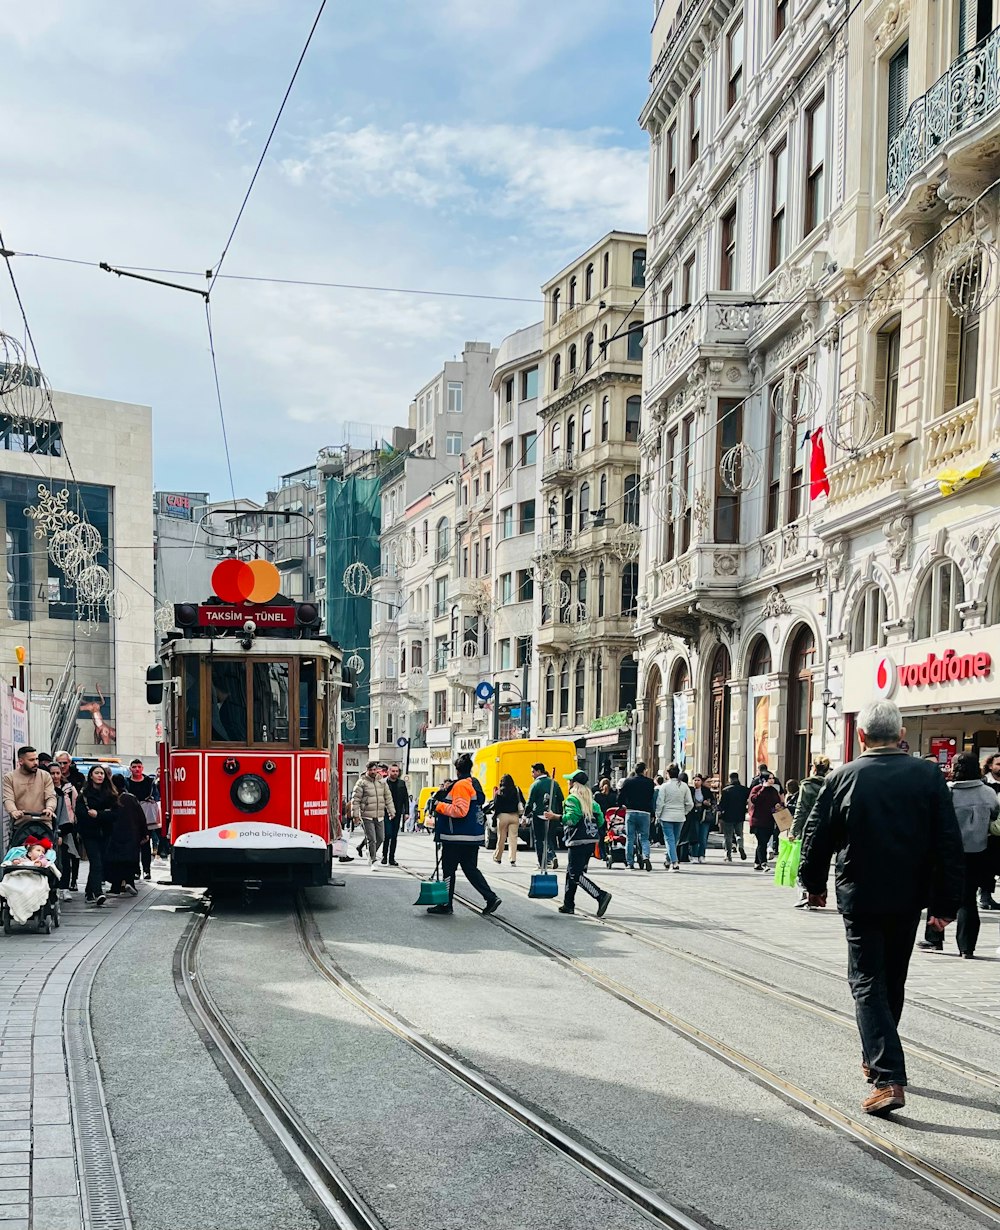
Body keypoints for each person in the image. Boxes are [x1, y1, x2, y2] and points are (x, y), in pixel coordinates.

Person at [799, 699, 964, 1116]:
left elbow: (817, 837)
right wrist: (946, 904)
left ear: (861, 736)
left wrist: (813, 884)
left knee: (867, 980)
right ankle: (877, 1056)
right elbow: (948, 843)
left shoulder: (843, 777)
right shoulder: (928, 776)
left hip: (862, 894)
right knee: (892, 978)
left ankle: (888, 1075)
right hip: (909, 895)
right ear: (902, 735)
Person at [914, 753, 998, 958]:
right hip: (978, 850)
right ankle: (967, 947)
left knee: (937, 893)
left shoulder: (948, 791)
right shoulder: (988, 793)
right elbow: (994, 815)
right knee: (968, 899)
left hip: (948, 851)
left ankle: (934, 939)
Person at [428, 753, 500, 917]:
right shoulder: (474, 783)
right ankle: (490, 897)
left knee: (448, 870)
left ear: (457, 770)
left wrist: (439, 806)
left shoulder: (461, 785)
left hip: (456, 837)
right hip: (471, 836)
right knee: (470, 869)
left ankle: (445, 903)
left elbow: (460, 810)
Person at [558, 771, 611, 917]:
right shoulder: (591, 801)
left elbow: (571, 819)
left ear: (573, 784)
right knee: (572, 871)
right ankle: (568, 904)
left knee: (575, 874)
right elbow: (600, 821)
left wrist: (556, 817)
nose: (568, 784)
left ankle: (600, 895)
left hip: (577, 840)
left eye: (569, 781)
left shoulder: (572, 799)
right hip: (590, 840)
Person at [75, 765, 119, 906]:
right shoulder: (84, 795)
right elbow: (81, 814)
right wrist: (100, 815)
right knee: (96, 862)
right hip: (90, 834)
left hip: (106, 833)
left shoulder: (111, 794)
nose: (100, 775)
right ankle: (98, 892)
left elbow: (115, 814)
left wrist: (98, 814)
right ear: (91, 775)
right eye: (97, 773)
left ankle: (89, 891)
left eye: (102, 773)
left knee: (100, 862)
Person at [104, 788, 146, 897]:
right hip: (132, 833)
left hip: (115, 834)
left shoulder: (111, 798)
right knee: (130, 860)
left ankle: (116, 887)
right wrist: (144, 833)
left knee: (116, 861)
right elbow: (141, 817)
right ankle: (130, 883)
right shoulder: (131, 798)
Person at [2, 746, 55, 830]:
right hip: (21, 826)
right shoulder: (10, 777)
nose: (36, 763)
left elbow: (51, 796)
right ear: (21, 761)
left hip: (43, 824)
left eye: (36, 759)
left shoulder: (45, 776)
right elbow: (8, 799)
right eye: (31, 760)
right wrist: (13, 811)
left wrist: (49, 808)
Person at [351, 762, 393, 868]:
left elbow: (388, 797)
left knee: (381, 838)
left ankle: (370, 852)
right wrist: (355, 815)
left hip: (379, 814)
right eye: (371, 770)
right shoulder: (361, 782)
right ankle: (373, 860)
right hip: (366, 815)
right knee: (371, 839)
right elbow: (355, 800)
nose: (373, 772)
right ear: (367, 770)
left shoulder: (382, 782)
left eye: (375, 770)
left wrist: (391, 811)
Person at [125, 758, 161, 878]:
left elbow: (156, 796)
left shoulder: (149, 781)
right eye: (134, 767)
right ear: (130, 768)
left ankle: (147, 870)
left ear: (142, 768)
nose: (137, 769)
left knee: (146, 843)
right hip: (131, 815)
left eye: (139, 767)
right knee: (134, 844)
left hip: (147, 815)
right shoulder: (127, 782)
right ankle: (136, 871)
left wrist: (153, 799)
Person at [50, 763, 80, 900]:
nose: (55, 776)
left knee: (65, 858)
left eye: (57, 773)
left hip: (65, 827)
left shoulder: (67, 790)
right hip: (46, 829)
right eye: (52, 773)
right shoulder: (44, 789)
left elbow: (74, 807)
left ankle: (65, 887)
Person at [619, 761, 656, 872]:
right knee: (644, 838)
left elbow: (620, 797)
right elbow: (652, 799)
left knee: (630, 838)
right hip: (645, 813)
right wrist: (652, 813)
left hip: (631, 811)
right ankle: (646, 856)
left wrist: (622, 805)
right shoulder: (650, 783)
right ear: (644, 770)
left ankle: (630, 863)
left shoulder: (628, 782)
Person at [524, 763, 562, 870]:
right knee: (550, 837)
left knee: (539, 840)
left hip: (539, 815)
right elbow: (561, 798)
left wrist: (525, 816)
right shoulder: (554, 783)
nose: (532, 774)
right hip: (552, 815)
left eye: (533, 772)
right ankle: (552, 856)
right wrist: (559, 813)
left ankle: (542, 863)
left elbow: (530, 802)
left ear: (539, 771)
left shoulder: (535, 785)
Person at [655, 765, 692, 870]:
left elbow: (660, 802)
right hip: (680, 816)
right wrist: (684, 812)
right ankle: (668, 859)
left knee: (669, 839)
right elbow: (690, 803)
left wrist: (658, 815)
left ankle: (674, 862)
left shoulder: (664, 787)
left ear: (667, 774)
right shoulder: (684, 786)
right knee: (674, 840)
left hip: (666, 816)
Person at [979, 752, 1000, 911]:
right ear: (990, 766)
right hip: (988, 833)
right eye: (998, 764)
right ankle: (985, 895)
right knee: (988, 866)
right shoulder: (984, 783)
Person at [748, 772, 782, 871]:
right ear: (763, 780)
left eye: (773, 778)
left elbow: (778, 801)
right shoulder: (757, 789)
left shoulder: (774, 790)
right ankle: (764, 863)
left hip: (770, 820)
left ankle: (757, 863)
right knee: (762, 842)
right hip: (758, 820)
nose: (772, 780)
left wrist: (778, 806)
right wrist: (763, 788)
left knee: (763, 842)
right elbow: (754, 800)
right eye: (769, 779)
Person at [491, 773, 524, 867]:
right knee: (513, 839)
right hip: (514, 816)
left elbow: (496, 806)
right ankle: (512, 859)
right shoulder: (516, 790)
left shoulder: (499, 792)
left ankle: (498, 857)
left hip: (502, 816)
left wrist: (494, 818)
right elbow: (522, 801)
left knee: (501, 838)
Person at [718, 772, 749, 862]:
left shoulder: (726, 790)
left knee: (728, 836)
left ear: (730, 779)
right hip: (740, 815)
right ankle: (740, 846)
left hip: (728, 816)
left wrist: (719, 812)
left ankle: (728, 855)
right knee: (739, 834)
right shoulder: (744, 790)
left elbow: (722, 804)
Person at [383, 764, 410, 866]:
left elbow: (405, 799)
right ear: (388, 771)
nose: (395, 773)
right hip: (385, 812)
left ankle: (391, 858)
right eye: (393, 771)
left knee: (394, 836)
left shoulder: (402, 783)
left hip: (397, 813)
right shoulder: (383, 782)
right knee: (387, 834)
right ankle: (384, 856)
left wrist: (406, 812)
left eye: (396, 771)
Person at [688, 773, 716, 864]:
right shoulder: (690, 791)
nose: (696, 782)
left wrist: (708, 803)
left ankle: (702, 855)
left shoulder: (706, 791)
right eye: (695, 780)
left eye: (698, 780)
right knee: (694, 835)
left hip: (704, 815)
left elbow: (713, 803)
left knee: (703, 837)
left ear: (701, 781)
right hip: (694, 816)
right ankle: (694, 855)